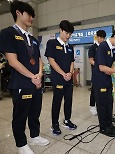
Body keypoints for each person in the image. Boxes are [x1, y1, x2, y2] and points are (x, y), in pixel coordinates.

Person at [0, 1, 50, 154]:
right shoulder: (8, 33)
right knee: (20, 115)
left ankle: (34, 136)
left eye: (33, 16)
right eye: (29, 15)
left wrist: (39, 75)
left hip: (36, 82)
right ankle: (21, 144)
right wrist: (32, 76)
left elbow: (40, 60)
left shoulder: (33, 38)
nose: (32, 19)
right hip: (21, 82)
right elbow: (13, 61)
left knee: (35, 112)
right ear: (18, 13)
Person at [92, 27, 115, 137]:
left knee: (109, 103)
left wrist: (111, 70)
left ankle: (109, 124)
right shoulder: (103, 46)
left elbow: (110, 64)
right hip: (99, 80)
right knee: (102, 104)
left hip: (107, 79)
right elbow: (102, 67)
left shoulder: (113, 48)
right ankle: (103, 128)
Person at [45, 20, 77, 136]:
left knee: (68, 100)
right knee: (57, 101)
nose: (68, 36)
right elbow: (51, 61)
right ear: (60, 30)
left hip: (69, 79)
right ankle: (54, 124)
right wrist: (63, 74)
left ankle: (67, 120)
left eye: (70, 34)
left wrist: (70, 72)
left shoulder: (69, 47)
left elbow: (72, 62)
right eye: (66, 33)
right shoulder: (52, 43)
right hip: (58, 79)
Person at [88, 30, 106, 115]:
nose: (102, 40)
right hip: (96, 73)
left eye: (103, 38)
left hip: (105, 73)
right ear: (97, 37)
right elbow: (91, 60)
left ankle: (101, 106)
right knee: (94, 90)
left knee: (102, 91)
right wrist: (99, 65)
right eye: (100, 38)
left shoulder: (105, 47)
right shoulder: (93, 47)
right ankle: (92, 106)